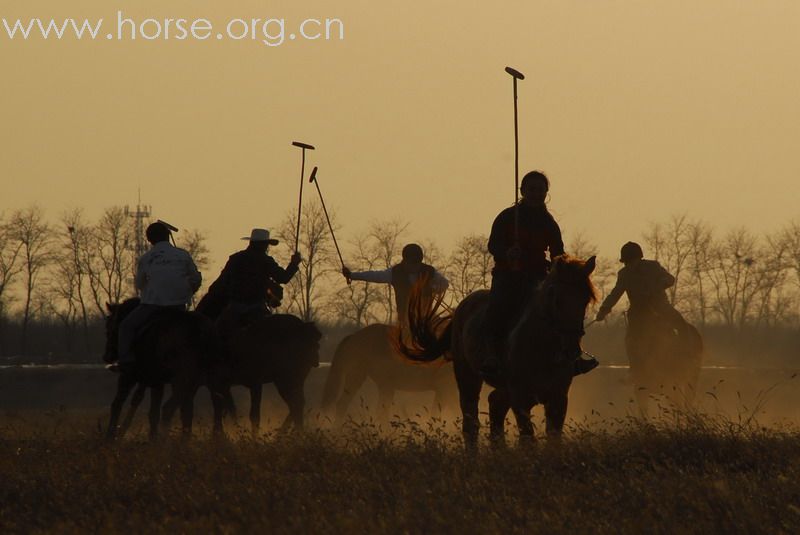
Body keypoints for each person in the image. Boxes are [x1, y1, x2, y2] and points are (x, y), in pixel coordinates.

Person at [484, 170, 598, 377]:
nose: (536, 194)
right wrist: (507, 253)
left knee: (563, 311)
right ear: (522, 191)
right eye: (531, 189)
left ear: (546, 193)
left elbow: (557, 253)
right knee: (498, 308)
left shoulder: (548, 222)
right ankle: (491, 355)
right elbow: (493, 245)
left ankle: (571, 355)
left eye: (540, 190)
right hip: (508, 275)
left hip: (537, 276)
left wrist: (562, 267)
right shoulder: (507, 217)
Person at [112, 221, 202, 373]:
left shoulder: (146, 258)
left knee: (126, 326)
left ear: (150, 240)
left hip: (152, 306)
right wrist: (188, 292)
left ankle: (125, 361)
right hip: (179, 306)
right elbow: (196, 279)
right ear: (168, 237)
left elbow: (140, 284)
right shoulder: (183, 255)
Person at [206, 228, 301, 328]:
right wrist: (294, 264)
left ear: (251, 242)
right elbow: (283, 278)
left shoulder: (236, 258)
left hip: (234, 307)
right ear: (264, 245)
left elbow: (222, 281)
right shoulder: (266, 261)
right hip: (257, 308)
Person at [595, 242, 688, 341]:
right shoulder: (624, 274)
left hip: (661, 307)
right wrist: (604, 309)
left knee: (681, 325)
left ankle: (687, 349)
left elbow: (670, 279)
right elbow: (615, 293)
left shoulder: (653, 267)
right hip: (637, 312)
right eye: (626, 262)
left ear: (638, 259)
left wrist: (660, 284)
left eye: (631, 261)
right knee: (631, 339)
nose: (629, 265)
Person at [342, 243, 449, 327]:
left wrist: (433, 289)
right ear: (405, 261)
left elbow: (444, 284)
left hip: (427, 318)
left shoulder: (429, 271)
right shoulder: (395, 273)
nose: (415, 267)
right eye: (412, 263)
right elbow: (375, 276)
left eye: (417, 263)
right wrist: (352, 275)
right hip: (405, 320)